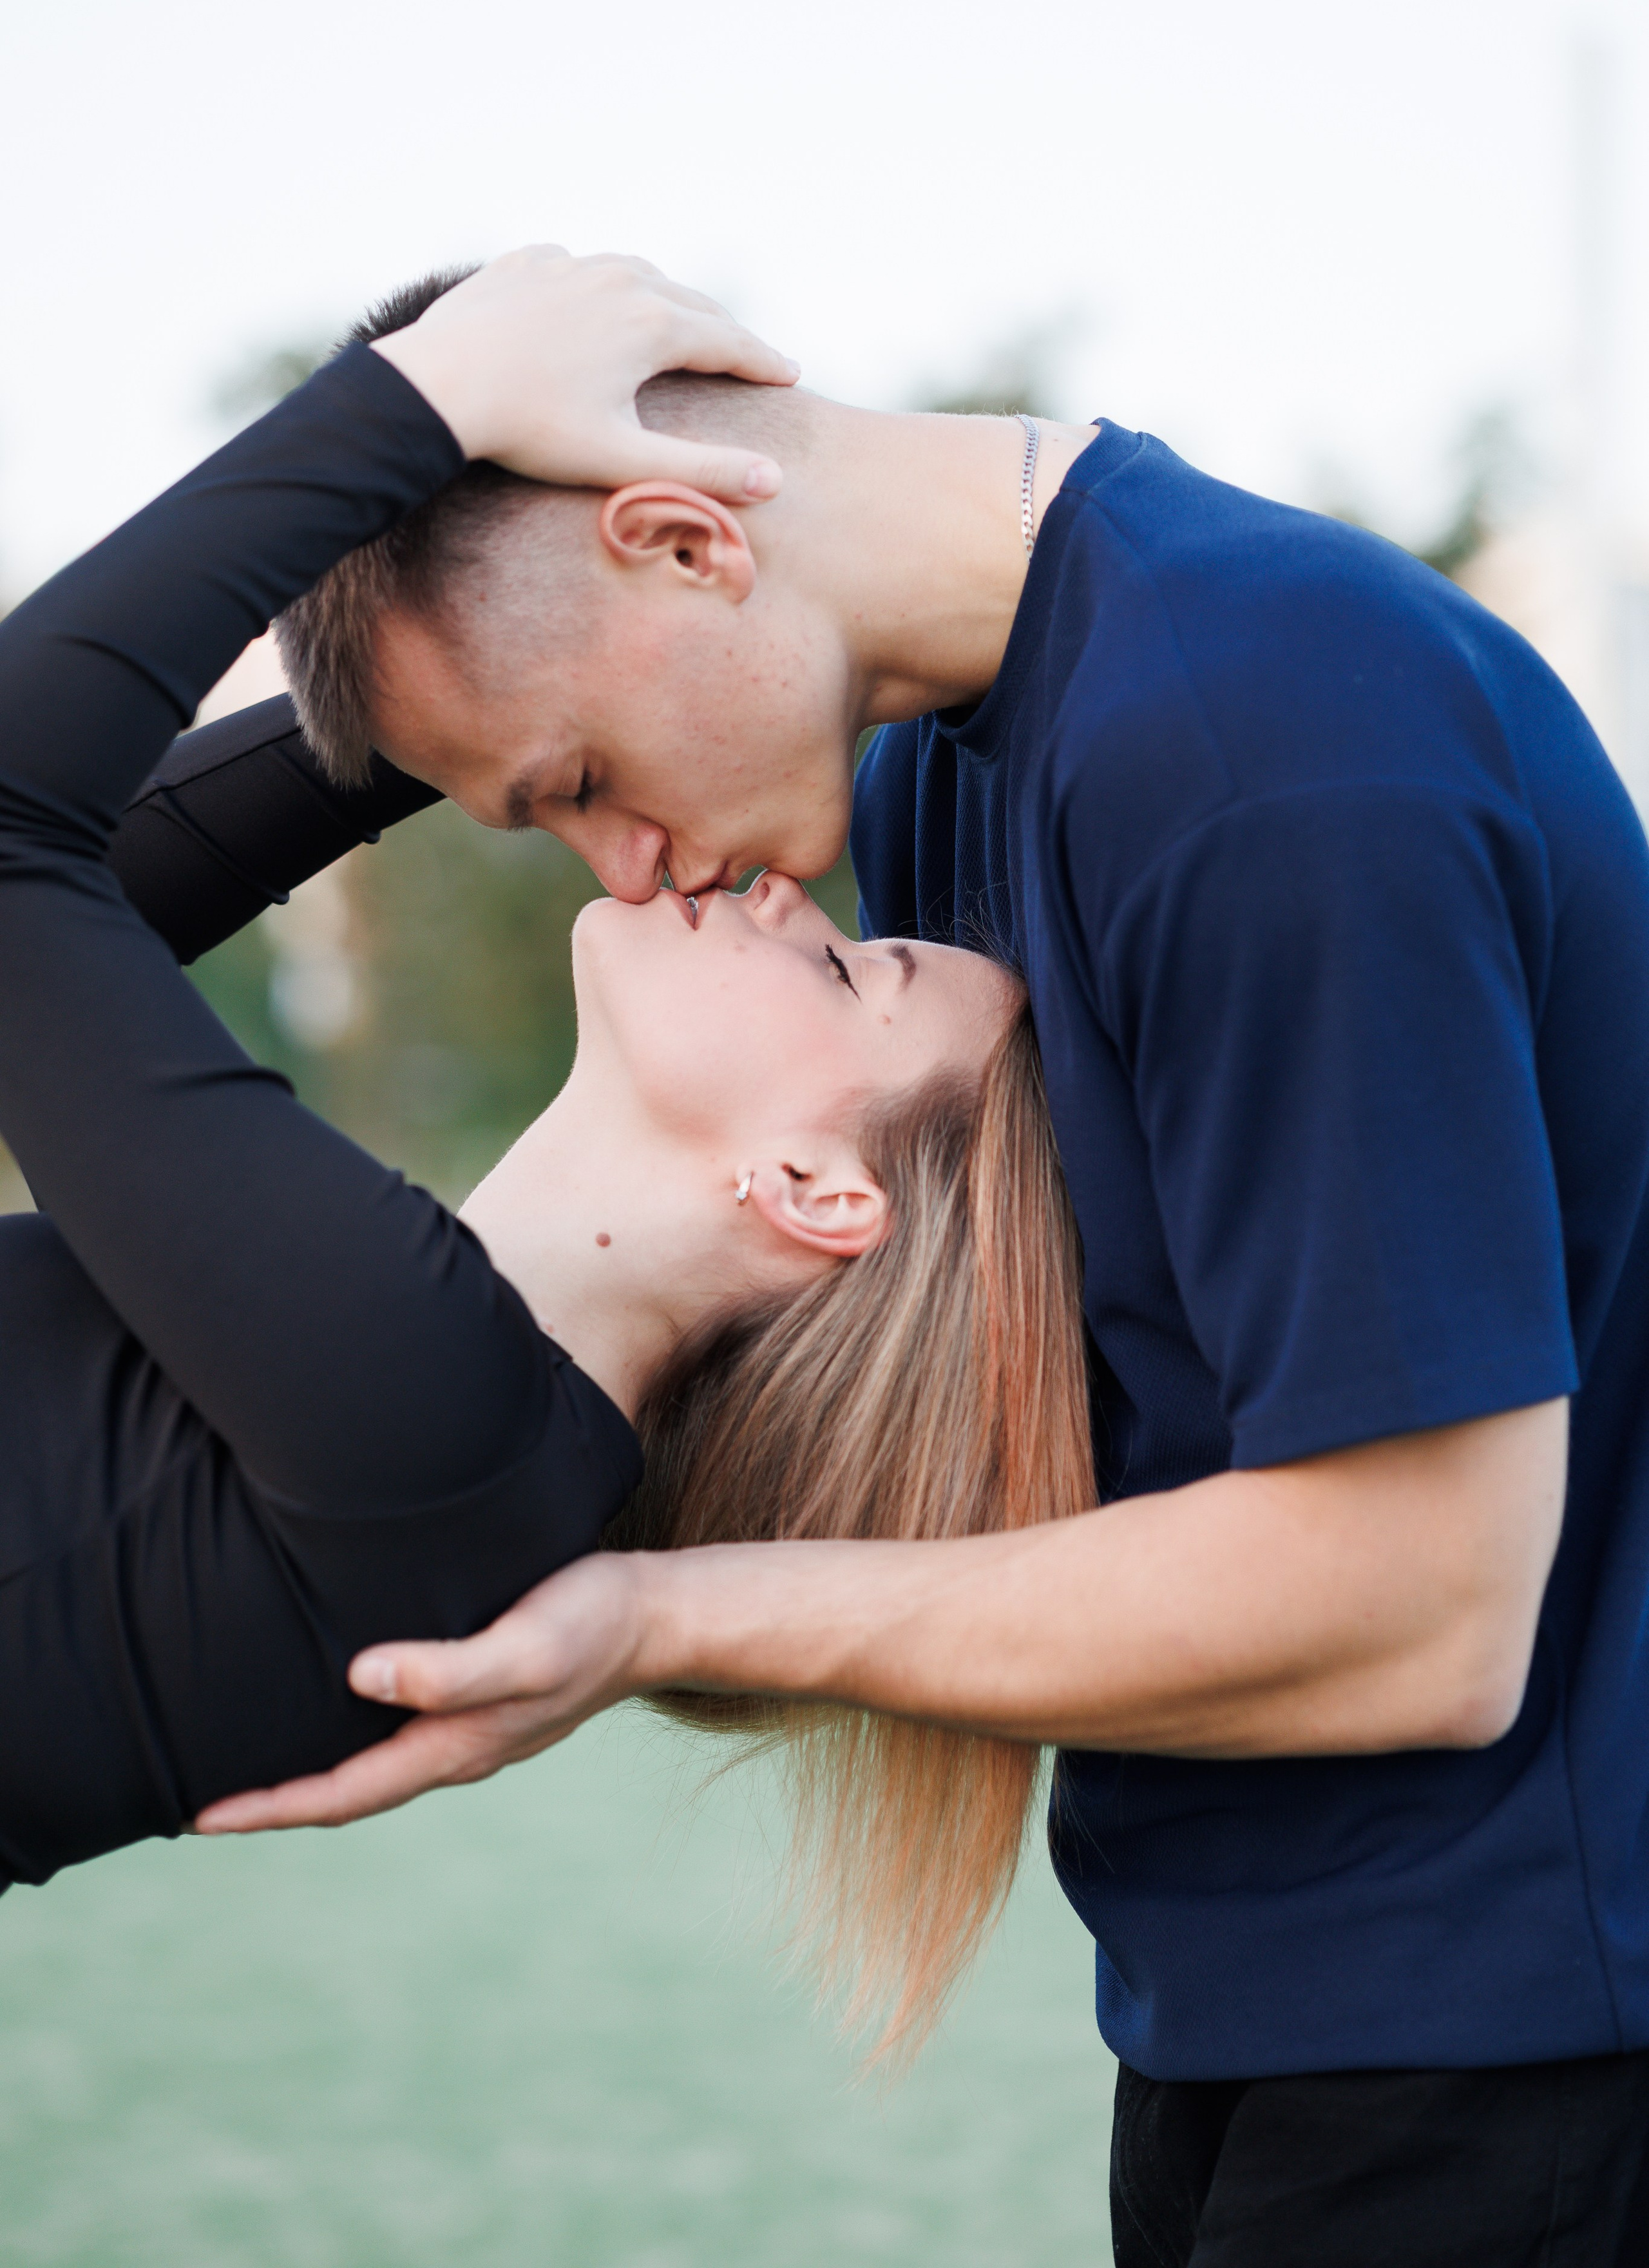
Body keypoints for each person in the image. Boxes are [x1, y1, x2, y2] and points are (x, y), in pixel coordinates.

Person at [207, 258, 1649, 2265]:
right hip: (1258, 2001)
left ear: (690, 539)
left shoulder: (1269, 742)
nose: (620, 873)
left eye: (575, 787)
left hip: (1522, 2040)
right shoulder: (929, 764)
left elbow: (1427, 1604)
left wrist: (659, 1618)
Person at [0, 251, 1087, 2018]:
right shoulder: (472, 1431)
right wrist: (520, 700)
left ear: (812, 1189)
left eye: (859, 965)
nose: (790, 892)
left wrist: (421, 405)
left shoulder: (430, 1406)